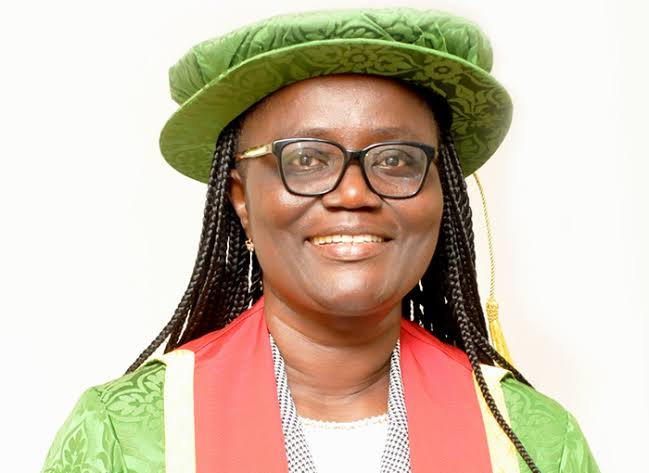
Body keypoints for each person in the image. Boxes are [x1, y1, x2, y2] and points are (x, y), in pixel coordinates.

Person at [41, 8, 600, 473]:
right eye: (306, 159)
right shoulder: (127, 436)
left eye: (397, 160)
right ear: (241, 198)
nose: (354, 193)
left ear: (441, 193)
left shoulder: (530, 440)